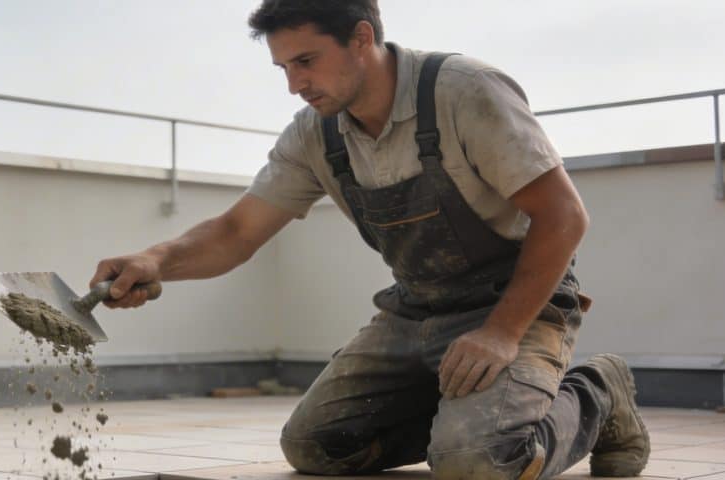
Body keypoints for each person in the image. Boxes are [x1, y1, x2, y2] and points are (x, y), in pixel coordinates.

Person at [89, 1, 649, 478]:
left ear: (362, 37)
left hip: (513, 309)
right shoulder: (315, 134)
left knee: (480, 460)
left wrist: (502, 333)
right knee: (313, 447)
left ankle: (599, 391)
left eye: (306, 61)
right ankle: (468, 411)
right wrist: (155, 259)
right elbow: (237, 233)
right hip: (416, 310)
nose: (294, 84)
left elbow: (564, 217)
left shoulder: (462, 92)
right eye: (283, 67)